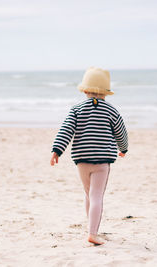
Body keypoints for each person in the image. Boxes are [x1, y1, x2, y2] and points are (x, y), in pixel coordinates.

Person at [50, 67, 128, 245]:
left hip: (82, 161)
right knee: (97, 196)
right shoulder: (111, 111)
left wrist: (57, 150)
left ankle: (91, 228)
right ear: (106, 93)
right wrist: (124, 148)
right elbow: (121, 133)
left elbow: (66, 131)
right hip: (102, 162)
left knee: (89, 195)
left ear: (84, 90)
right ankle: (93, 233)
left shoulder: (76, 110)